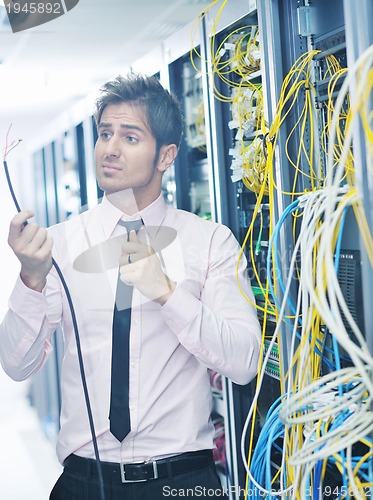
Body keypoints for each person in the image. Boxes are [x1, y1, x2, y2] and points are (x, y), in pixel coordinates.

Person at [0, 74, 261, 500]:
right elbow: (15, 364)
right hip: (86, 482)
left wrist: (168, 294)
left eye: (131, 137)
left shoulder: (208, 241)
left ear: (166, 156)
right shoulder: (61, 244)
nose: (111, 148)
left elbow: (245, 361)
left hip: (183, 481)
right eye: (105, 133)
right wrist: (30, 278)